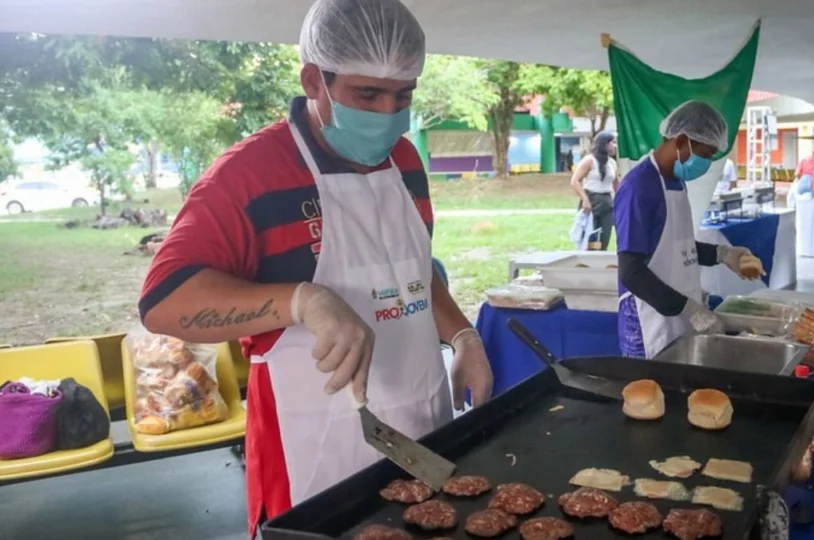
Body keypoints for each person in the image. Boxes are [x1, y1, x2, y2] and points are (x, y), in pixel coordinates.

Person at [136, 0, 494, 535]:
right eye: (367, 95)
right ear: (312, 81)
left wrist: (462, 334)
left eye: (403, 96)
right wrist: (302, 301)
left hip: (421, 422)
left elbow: (415, 271)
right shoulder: (249, 174)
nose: (387, 114)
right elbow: (165, 302)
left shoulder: (405, 161)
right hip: (312, 444)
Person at [614, 101, 760, 359]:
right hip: (649, 320)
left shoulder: (676, 181)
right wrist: (690, 310)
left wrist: (723, 254)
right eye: (706, 154)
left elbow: (677, 246)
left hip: (678, 310)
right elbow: (631, 272)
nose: (706, 163)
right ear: (681, 141)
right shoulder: (638, 188)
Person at [570, 132, 619, 250]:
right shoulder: (589, 160)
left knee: (604, 236)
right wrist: (585, 199)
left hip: (607, 202)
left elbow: (616, 184)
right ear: (604, 144)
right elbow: (575, 181)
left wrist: (620, 200)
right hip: (591, 200)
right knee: (591, 236)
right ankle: (590, 257)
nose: (615, 146)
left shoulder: (612, 163)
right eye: (612, 143)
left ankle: (601, 254)